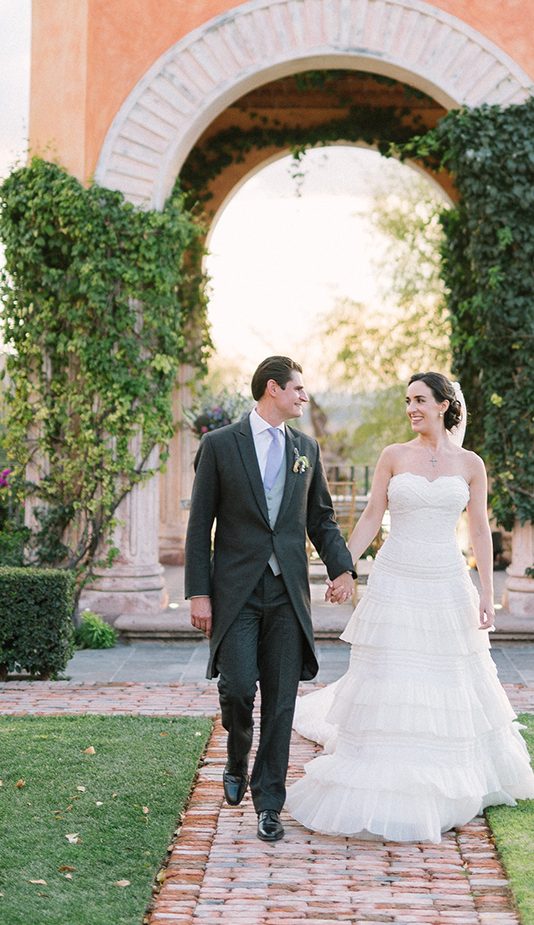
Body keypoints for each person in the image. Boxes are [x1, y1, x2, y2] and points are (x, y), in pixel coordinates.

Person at [284, 371, 534, 843]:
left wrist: (488, 593)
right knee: (393, 673)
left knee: (444, 676)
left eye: (421, 400)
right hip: (396, 580)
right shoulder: (393, 456)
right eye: (407, 401)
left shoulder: (470, 464)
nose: (412, 408)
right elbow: (369, 517)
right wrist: (341, 567)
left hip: (446, 582)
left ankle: (445, 770)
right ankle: (385, 760)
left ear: (445, 405)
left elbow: (481, 531)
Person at [185, 355, 356, 843]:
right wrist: (199, 592)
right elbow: (201, 525)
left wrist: (342, 566)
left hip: (287, 594)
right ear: (273, 390)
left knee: (281, 703)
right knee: (238, 688)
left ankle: (269, 803)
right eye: (298, 388)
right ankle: (237, 756)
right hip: (235, 592)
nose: (304, 397)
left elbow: (319, 518)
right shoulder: (219, 446)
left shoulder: (307, 447)